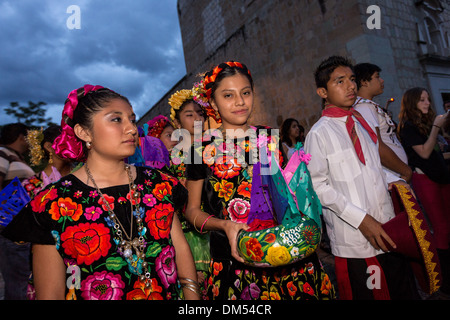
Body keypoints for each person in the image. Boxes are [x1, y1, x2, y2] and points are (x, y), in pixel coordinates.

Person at [2, 85, 199, 300]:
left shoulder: (159, 185)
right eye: (116, 119)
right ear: (83, 132)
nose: (131, 129)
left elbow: (181, 256)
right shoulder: (53, 203)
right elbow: (51, 294)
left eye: (132, 120)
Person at [185, 61, 335, 300]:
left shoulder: (268, 137)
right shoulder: (198, 149)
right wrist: (224, 225)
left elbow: (284, 193)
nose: (240, 101)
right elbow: (191, 211)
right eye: (228, 95)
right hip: (234, 263)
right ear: (213, 102)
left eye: (245, 92)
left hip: (284, 254)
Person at [305, 56, 419, 300]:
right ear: (323, 91)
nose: (351, 86)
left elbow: (372, 165)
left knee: (402, 290)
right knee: (372, 294)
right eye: (340, 81)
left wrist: (396, 180)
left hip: (387, 228)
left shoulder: (361, 122)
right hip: (356, 238)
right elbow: (318, 186)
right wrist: (361, 219)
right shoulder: (319, 133)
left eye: (352, 79)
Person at [397, 87, 450, 298]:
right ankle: (445, 280)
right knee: (442, 229)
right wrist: (437, 127)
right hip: (426, 181)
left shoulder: (424, 124)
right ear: (411, 103)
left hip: (442, 177)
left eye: (428, 99)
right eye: (422, 100)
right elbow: (425, 152)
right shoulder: (408, 128)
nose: (427, 103)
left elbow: (437, 154)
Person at [168, 87, 211, 296]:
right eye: (189, 114)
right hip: (191, 236)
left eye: (200, 113)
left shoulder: (215, 149)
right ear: (177, 123)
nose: (197, 118)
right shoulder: (174, 158)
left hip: (218, 228)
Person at [353, 63, 412, 183]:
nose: (381, 80)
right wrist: (406, 171)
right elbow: (376, 145)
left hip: (396, 175)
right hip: (392, 177)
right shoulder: (364, 107)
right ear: (364, 82)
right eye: (377, 76)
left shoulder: (369, 106)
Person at [0, 123, 35, 300]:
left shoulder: (16, 157)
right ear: (21, 136)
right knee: (17, 284)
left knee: (20, 282)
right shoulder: (2, 153)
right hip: (8, 227)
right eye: (28, 136)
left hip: (20, 227)